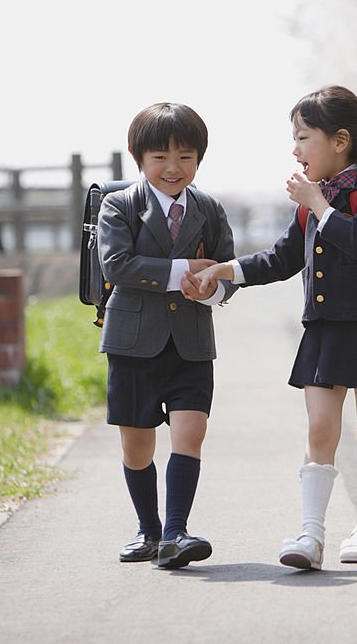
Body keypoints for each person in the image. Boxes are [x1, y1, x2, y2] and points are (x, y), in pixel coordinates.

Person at [188, 85, 357, 570]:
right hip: (325, 330)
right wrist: (223, 270)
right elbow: (280, 259)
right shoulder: (311, 204)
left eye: (302, 138)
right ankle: (310, 535)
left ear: (339, 140)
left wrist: (319, 205)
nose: (295, 150)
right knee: (319, 426)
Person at [99, 102, 238, 569]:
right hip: (134, 342)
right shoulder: (119, 205)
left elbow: (227, 272)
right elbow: (116, 265)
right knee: (137, 446)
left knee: (190, 432)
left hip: (192, 342)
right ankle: (149, 530)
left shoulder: (210, 208)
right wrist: (184, 271)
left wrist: (212, 288)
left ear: (199, 158)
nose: (173, 168)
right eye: (160, 157)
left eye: (185, 156)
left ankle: (177, 532)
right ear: (138, 158)